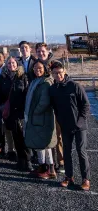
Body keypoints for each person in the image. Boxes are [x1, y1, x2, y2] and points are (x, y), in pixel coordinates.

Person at [49, 61, 91, 191]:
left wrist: (80, 121)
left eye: (60, 73)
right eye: (55, 73)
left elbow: (85, 105)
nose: (58, 75)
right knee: (66, 152)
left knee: (81, 151)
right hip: (65, 126)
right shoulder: (53, 89)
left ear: (64, 72)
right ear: (52, 74)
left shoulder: (75, 86)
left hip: (79, 126)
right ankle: (69, 177)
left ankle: (86, 179)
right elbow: (54, 107)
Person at [0, 56, 33, 171]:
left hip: (21, 112)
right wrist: (2, 106)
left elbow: (27, 93)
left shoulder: (23, 77)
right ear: (6, 65)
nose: (11, 65)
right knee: (15, 137)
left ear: (17, 64)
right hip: (10, 113)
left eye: (13, 63)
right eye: (9, 63)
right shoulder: (3, 78)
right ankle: (20, 160)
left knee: (24, 138)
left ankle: (28, 161)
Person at [24, 60, 57, 179]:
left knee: (44, 145)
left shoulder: (46, 82)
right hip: (35, 117)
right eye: (35, 68)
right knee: (40, 144)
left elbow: (44, 102)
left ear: (45, 69)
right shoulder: (35, 81)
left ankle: (49, 168)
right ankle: (43, 167)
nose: (37, 70)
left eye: (40, 68)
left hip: (42, 118)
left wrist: (35, 112)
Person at [35, 42, 64, 173]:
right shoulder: (35, 64)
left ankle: (61, 162)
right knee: (46, 134)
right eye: (39, 51)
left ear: (47, 51)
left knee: (58, 135)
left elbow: (63, 78)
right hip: (43, 105)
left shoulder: (55, 63)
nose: (41, 53)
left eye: (43, 51)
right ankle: (48, 163)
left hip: (56, 103)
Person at [0, 50, 16, 160]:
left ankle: (13, 150)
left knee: (13, 128)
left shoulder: (8, 70)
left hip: (10, 103)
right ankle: (2, 147)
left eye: (0, 57)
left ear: (4, 57)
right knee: (1, 127)